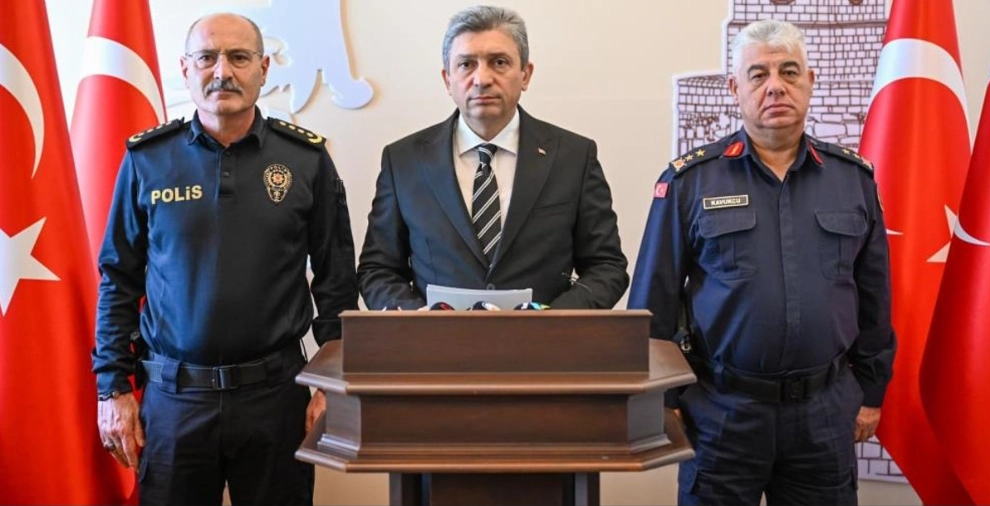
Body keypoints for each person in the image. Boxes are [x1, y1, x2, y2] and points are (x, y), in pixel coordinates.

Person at [91, 13, 358, 505]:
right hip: (174, 400)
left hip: (275, 397)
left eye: (238, 57)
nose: (222, 72)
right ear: (185, 69)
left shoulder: (305, 160)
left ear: (263, 68)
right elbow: (118, 279)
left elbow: (336, 279)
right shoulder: (148, 159)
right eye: (207, 58)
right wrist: (112, 388)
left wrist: (333, 383)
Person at [628, 19, 896, 505]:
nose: (775, 86)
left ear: (809, 82)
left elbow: (874, 297)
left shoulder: (852, 180)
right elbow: (652, 303)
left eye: (789, 72)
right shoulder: (690, 182)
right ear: (735, 89)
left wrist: (871, 392)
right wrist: (662, 403)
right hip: (721, 412)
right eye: (758, 74)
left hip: (824, 414)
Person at [357, 5, 628, 310]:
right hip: (436, 339)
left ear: (525, 75)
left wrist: (553, 321)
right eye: (466, 64)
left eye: (499, 62)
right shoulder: (404, 161)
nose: (482, 79)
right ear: (448, 80)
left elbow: (607, 267)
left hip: (545, 339)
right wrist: (419, 320)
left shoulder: (573, 157)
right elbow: (378, 270)